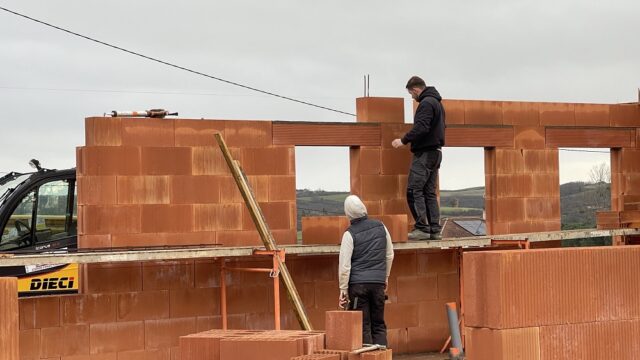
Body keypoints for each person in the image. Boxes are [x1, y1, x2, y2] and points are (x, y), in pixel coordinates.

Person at [392, 76, 446, 241]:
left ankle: (422, 228)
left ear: (415, 89)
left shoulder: (426, 104)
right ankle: (434, 230)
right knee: (429, 192)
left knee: (413, 191)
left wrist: (403, 140)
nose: (412, 97)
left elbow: (421, 127)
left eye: (411, 94)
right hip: (436, 153)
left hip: (425, 153)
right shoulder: (437, 103)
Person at [338, 195, 394, 346]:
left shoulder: (349, 234)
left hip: (358, 287)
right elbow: (389, 254)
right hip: (378, 285)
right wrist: (385, 277)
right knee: (379, 324)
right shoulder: (381, 226)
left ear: (347, 214)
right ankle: (382, 355)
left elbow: (344, 266)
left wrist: (343, 289)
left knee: (362, 326)